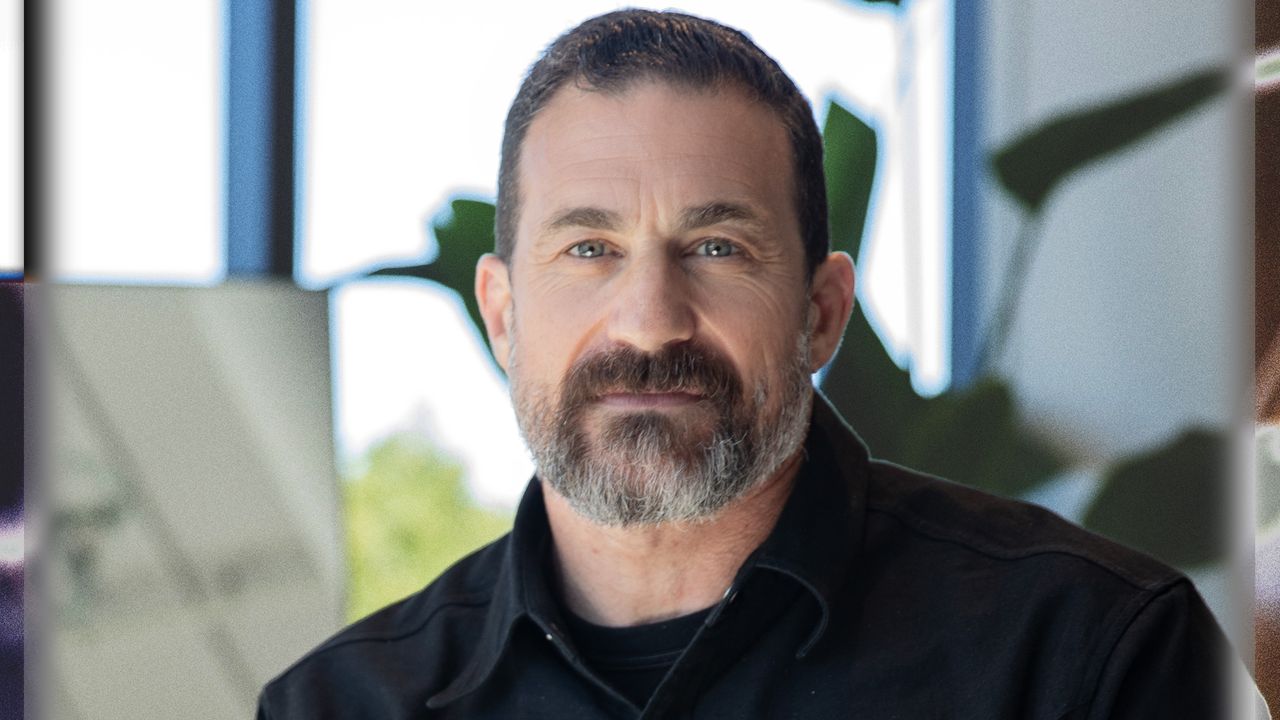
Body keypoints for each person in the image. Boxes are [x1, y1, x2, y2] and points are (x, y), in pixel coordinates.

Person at [258, 9, 1234, 718]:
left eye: (716, 248)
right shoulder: (338, 706)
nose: (650, 322)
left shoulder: (1090, 660)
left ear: (821, 313)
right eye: (589, 249)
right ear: (503, 315)